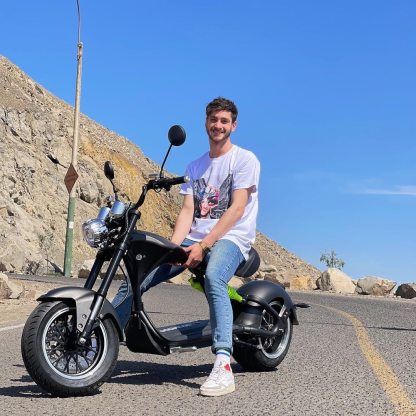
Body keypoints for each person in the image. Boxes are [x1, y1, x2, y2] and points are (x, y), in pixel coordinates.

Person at [112, 97, 260, 396]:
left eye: (224, 121)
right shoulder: (195, 166)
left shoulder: (245, 160)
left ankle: (223, 364)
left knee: (214, 278)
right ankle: (102, 337)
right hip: (195, 237)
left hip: (232, 237)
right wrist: (172, 248)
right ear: (206, 122)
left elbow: (237, 208)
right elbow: (187, 212)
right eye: (213, 120)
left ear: (233, 125)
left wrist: (204, 245)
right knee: (138, 274)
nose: (218, 125)